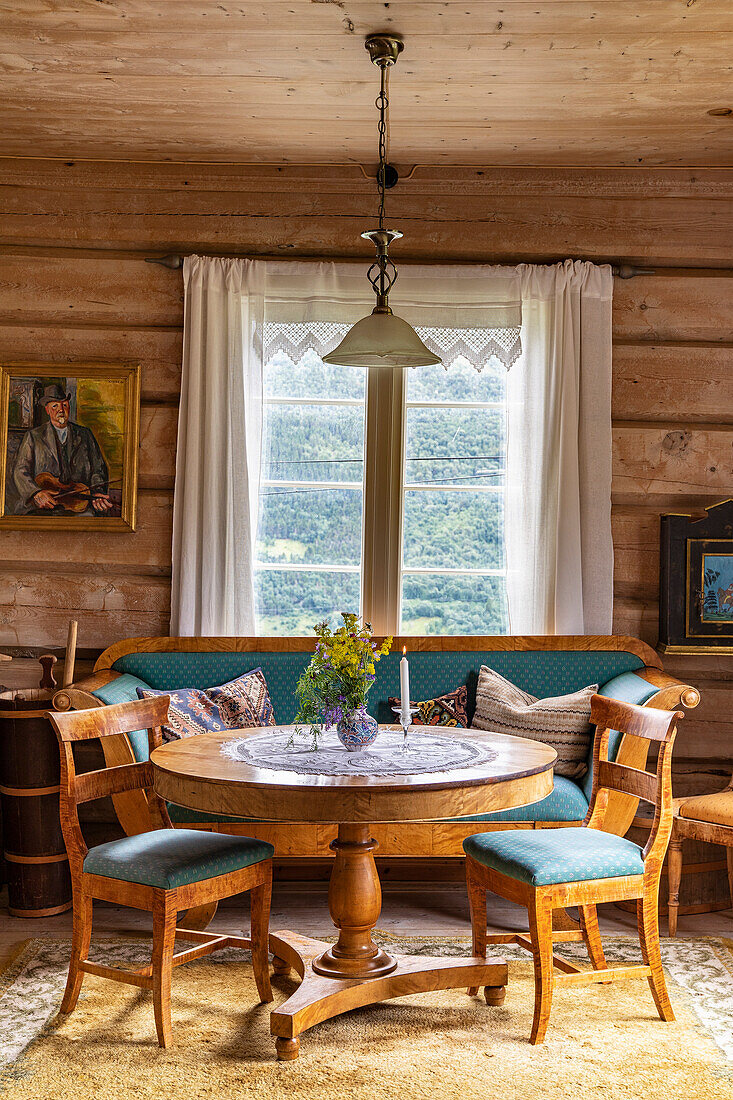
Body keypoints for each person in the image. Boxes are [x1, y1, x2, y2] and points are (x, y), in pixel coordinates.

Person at [11, 384, 113, 515]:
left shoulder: (85, 434)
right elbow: (20, 470)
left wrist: (97, 493)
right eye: (55, 406)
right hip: (42, 507)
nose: (61, 410)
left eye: (64, 405)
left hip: (78, 505)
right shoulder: (33, 436)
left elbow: (98, 468)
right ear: (47, 410)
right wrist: (35, 493)